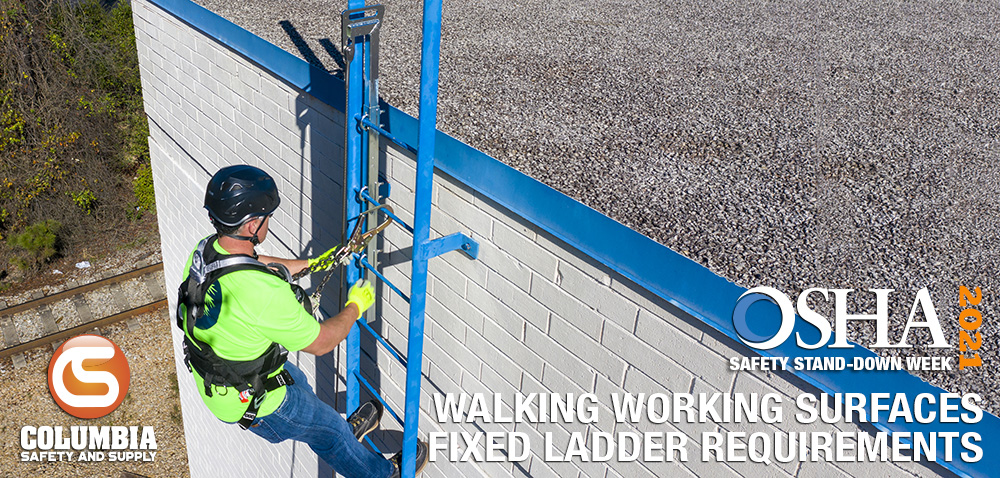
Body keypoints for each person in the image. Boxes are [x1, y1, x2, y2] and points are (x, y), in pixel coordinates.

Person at [176, 165, 428, 478]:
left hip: (229, 377)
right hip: (253, 402)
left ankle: (337, 432)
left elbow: (253, 263)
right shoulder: (264, 294)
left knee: (301, 384)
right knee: (330, 434)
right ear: (252, 223)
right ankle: (383, 472)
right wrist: (355, 306)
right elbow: (322, 342)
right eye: (267, 216)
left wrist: (314, 263)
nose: (269, 221)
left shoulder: (205, 251)